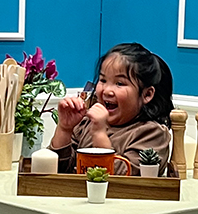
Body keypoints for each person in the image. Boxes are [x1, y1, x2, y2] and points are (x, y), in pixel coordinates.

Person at [48, 43, 174, 175]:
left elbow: (122, 178)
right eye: (103, 80)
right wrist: (64, 129)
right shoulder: (86, 123)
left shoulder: (152, 133)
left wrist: (99, 134)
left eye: (120, 83)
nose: (107, 90)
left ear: (147, 94)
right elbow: (57, 169)